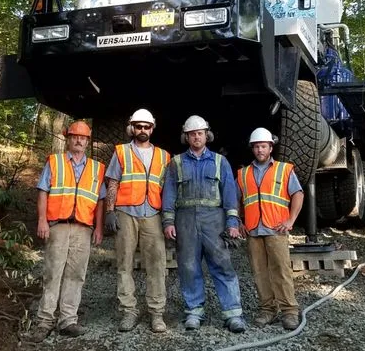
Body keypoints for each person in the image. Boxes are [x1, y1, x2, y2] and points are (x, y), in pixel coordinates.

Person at [162, 115, 246, 333]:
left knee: (223, 264)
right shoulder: (176, 163)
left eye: (199, 133)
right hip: (185, 220)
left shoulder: (220, 162)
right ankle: (194, 311)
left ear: (206, 135)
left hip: (214, 221)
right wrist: (168, 221)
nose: (196, 137)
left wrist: (232, 222)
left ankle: (233, 314)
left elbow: (229, 193)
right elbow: (169, 193)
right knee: (189, 267)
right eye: (192, 134)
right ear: (186, 137)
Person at [35, 120, 105, 338]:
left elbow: (101, 200)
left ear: (87, 141)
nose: (79, 140)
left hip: (83, 228)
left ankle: (68, 320)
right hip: (58, 226)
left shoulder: (96, 168)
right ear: (68, 138)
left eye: (83, 138)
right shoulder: (55, 162)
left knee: (76, 274)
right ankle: (45, 321)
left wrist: (99, 228)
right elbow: (43, 192)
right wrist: (42, 221)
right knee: (53, 272)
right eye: (75, 136)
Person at [104, 108, 170, 334]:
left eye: (146, 126)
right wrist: (110, 210)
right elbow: (112, 182)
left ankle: (157, 313)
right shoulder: (121, 152)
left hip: (152, 213)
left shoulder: (163, 156)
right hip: (126, 213)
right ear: (132, 128)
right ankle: (129, 311)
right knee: (124, 263)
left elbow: (168, 189)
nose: (143, 130)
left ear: (152, 129)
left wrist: (169, 217)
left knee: (157, 264)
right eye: (138, 126)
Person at [237, 127, 304, 330]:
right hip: (253, 230)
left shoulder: (284, 170)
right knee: (259, 272)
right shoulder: (243, 173)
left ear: (270, 148)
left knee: (281, 270)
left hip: (276, 229)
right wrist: (239, 221)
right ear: (252, 149)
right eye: (256, 147)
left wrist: (291, 219)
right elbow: (236, 200)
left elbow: (298, 194)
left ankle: (289, 311)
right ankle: (267, 310)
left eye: (263, 146)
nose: (260, 150)